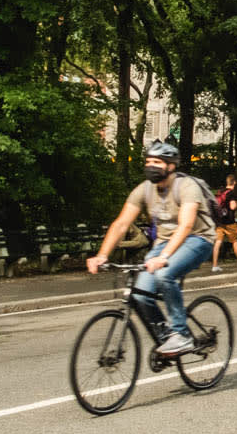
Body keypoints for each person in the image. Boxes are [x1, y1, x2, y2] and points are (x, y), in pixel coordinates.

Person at [87, 142, 216, 357]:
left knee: (164, 274)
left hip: (197, 239)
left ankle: (181, 335)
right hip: (165, 243)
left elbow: (185, 226)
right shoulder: (144, 189)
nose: (151, 166)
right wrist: (102, 255)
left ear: (171, 166)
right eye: (148, 162)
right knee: (140, 294)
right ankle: (166, 338)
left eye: (157, 162)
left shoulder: (186, 187)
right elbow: (121, 224)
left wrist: (163, 257)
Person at [211, 173, 237, 272]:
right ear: (234, 182)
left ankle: (215, 265)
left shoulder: (220, 191)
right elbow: (232, 207)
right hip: (229, 222)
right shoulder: (231, 193)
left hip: (219, 222)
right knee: (234, 241)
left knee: (217, 242)